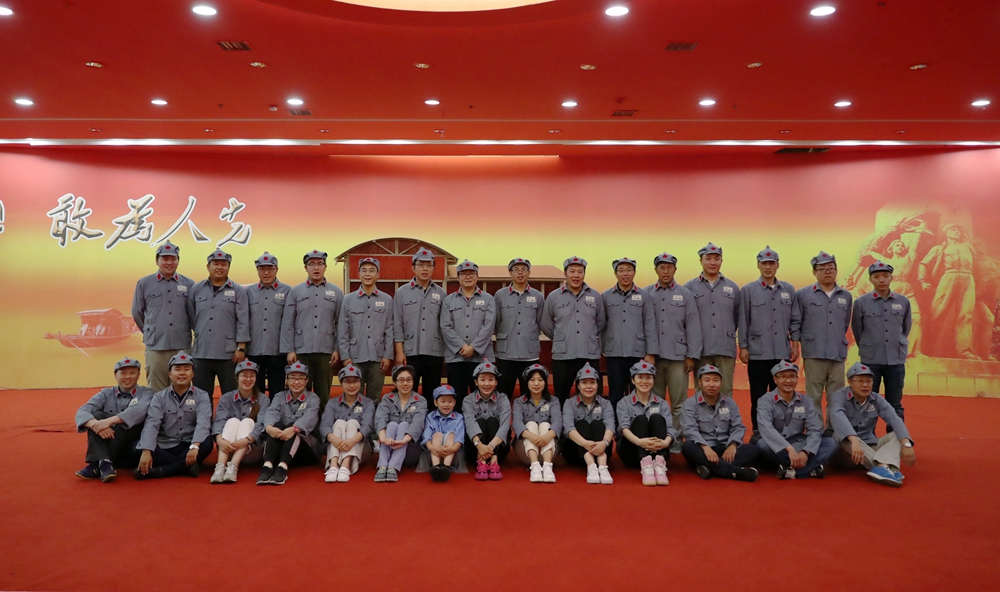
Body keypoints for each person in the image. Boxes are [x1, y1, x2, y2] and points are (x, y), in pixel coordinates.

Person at [738, 246, 800, 434]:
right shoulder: (748, 290)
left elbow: (794, 319)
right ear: (758, 265)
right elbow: (743, 320)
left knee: (782, 396)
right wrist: (743, 347)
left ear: (777, 265)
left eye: (771, 263)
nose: (768, 267)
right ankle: (758, 433)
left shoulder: (788, 289)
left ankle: (781, 433)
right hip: (758, 353)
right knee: (758, 397)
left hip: (781, 353)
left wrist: (795, 344)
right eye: (764, 263)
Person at [828, 362, 916, 487]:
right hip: (847, 452)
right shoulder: (838, 396)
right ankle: (888, 466)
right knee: (841, 436)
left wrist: (906, 443)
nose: (865, 385)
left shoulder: (876, 398)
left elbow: (894, 419)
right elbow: (838, 419)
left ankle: (882, 467)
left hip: (869, 446)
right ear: (850, 382)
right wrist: (854, 440)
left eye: (869, 381)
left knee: (897, 435)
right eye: (860, 381)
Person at [790, 251, 852, 427]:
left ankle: (833, 430)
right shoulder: (803, 294)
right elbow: (796, 322)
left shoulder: (845, 296)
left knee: (836, 397)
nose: (827, 272)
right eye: (822, 269)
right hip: (814, 352)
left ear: (836, 270)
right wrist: (795, 344)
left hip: (837, 352)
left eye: (831, 268)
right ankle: (815, 430)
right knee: (813, 396)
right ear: (814, 272)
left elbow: (845, 323)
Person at [646, 252, 702, 441]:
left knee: (679, 403)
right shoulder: (647, 294)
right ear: (656, 270)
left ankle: (676, 439)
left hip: (678, 358)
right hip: (654, 358)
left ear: (675, 269)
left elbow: (693, 326)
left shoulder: (685, 294)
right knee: (655, 402)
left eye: (669, 267)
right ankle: (658, 438)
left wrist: (692, 356)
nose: (666, 271)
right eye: (662, 267)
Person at [135, 352, 214, 480]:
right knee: (138, 447)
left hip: (190, 444)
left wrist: (194, 445)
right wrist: (146, 450)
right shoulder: (159, 397)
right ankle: (187, 466)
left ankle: (162, 471)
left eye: (186, 369)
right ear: (170, 374)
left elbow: (203, 423)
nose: (182, 373)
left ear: (192, 374)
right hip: (166, 445)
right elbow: (152, 423)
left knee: (207, 443)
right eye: (177, 369)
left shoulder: (202, 396)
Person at [280, 249, 344, 407]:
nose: (316, 268)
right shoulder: (296, 291)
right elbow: (288, 322)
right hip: (302, 350)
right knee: (301, 392)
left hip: (326, 351)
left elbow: (341, 323)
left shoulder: (336, 292)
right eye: (312, 264)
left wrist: (337, 349)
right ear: (305, 268)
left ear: (325, 267)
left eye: (320, 264)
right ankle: (302, 422)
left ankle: (322, 422)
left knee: (323, 394)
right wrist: (290, 350)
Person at [74, 357, 153, 482]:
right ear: (115, 375)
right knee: (97, 416)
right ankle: (105, 463)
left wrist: (108, 422)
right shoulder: (106, 393)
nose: (128, 377)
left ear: (138, 375)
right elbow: (82, 411)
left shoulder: (146, 393)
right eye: (123, 373)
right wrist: (96, 425)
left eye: (132, 373)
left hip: (130, 449)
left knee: (128, 422)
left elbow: (138, 411)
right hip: (111, 447)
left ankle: (96, 463)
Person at [851, 261, 912, 421]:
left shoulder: (903, 302)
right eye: (877, 276)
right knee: (867, 402)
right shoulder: (861, 302)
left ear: (891, 278)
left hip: (895, 359)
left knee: (895, 403)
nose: (881, 280)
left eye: (885, 276)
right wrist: (869, 345)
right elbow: (857, 330)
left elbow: (905, 329)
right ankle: (867, 434)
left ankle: (895, 434)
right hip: (871, 360)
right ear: (870, 280)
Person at [755, 360, 838, 480]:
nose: (788, 381)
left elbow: (814, 429)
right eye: (783, 377)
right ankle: (810, 468)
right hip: (778, 446)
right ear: (775, 379)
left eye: (792, 376)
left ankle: (791, 471)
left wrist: (806, 452)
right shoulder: (765, 400)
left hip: (800, 444)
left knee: (831, 443)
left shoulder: (806, 401)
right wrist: (789, 449)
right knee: (762, 445)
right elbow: (766, 429)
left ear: (797, 378)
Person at [131, 241, 195, 392]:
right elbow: (137, 312)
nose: (169, 262)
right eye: (165, 259)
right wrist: (150, 330)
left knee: (182, 387)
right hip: (156, 346)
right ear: (157, 260)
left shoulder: (189, 284)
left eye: (173, 259)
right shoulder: (144, 283)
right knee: (156, 389)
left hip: (181, 345)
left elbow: (194, 314)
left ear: (178, 260)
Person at [541, 256, 606, 401]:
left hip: (588, 354)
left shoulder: (595, 296)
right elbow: (545, 323)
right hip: (563, 355)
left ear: (584, 274)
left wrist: (588, 336)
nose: (576, 275)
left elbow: (600, 322)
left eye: (580, 272)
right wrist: (560, 338)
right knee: (561, 396)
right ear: (565, 273)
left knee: (591, 397)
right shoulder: (554, 297)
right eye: (572, 271)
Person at [680, 365, 758, 482]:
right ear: (700, 382)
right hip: (703, 448)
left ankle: (708, 467)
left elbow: (738, 426)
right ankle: (734, 471)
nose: (712, 384)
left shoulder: (730, 403)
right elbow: (689, 430)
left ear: (721, 382)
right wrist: (706, 447)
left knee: (754, 449)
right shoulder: (690, 404)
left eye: (715, 380)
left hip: (724, 447)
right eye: (707, 380)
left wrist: (732, 445)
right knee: (688, 447)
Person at [188, 249, 249, 397]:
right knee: (201, 397)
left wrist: (241, 348)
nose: (219, 267)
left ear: (229, 267)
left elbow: (243, 320)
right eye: (215, 264)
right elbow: (191, 316)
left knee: (231, 395)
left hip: (229, 354)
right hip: (201, 352)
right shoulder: (196, 289)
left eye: (223, 264)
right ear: (208, 266)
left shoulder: (238, 291)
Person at [684, 242, 740, 396]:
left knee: (725, 392)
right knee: (702, 393)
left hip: (725, 347)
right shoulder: (689, 287)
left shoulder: (732, 287)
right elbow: (686, 319)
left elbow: (736, 317)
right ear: (700, 261)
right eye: (708, 258)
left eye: (717, 258)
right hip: (700, 350)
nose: (713, 262)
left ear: (722, 261)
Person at [601, 257, 657, 409]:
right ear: (615, 273)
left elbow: (650, 324)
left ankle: (636, 422)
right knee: (615, 393)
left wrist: (651, 352)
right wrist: (603, 348)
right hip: (614, 353)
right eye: (621, 270)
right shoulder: (605, 296)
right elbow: (600, 324)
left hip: (637, 353)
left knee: (637, 393)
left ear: (634, 272)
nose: (625, 274)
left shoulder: (644, 296)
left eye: (629, 270)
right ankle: (616, 423)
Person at [440, 259, 496, 410]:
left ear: (477, 276)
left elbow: (489, 327)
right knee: (457, 399)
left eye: (472, 273)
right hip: (456, 358)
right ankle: (459, 425)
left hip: (482, 358)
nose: (468, 277)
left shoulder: (488, 299)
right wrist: (462, 346)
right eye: (464, 274)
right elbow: (445, 326)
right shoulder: (448, 301)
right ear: (458, 277)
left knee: (483, 400)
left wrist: (474, 347)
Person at [918, 224, 979, 359]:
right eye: (953, 230)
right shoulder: (940, 248)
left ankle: (965, 350)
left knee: (966, 314)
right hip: (949, 276)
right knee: (937, 311)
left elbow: (978, 264)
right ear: (946, 233)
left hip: (968, 277)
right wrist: (923, 281)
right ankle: (929, 345)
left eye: (958, 230)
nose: (957, 232)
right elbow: (923, 264)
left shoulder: (968, 247)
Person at [392, 248, 447, 397]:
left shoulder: (441, 294)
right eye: (421, 265)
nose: (425, 269)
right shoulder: (401, 293)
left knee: (432, 393)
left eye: (429, 265)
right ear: (413, 268)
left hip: (434, 351)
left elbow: (445, 325)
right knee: (408, 392)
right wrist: (399, 352)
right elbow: (397, 323)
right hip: (410, 352)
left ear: (433, 268)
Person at [256, 361, 321, 486]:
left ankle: (282, 468)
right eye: (292, 378)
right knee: (276, 426)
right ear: (287, 380)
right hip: (283, 446)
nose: (296, 382)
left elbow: (309, 418)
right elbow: (272, 412)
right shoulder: (279, 397)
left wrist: (293, 429)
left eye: (300, 378)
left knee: (294, 427)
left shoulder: (313, 398)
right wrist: (269, 428)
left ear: (307, 380)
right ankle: (267, 466)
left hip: (306, 450)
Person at [338, 257, 393, 402]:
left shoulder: (387, 300)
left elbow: (389, 329)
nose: (368, 274)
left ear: (378, 275)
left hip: (378, 357)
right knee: (354, 396)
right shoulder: (348, 300)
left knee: (374, 398)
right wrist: (345, 357)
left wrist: (387, 355)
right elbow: (343, 330)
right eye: (364, 270)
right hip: (355, 357)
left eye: (371, 270)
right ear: (358, 274)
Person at [615, 361, 675, 486]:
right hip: (632, 452)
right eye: (640, 377)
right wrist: (640, 442)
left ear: (653, 380)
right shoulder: (623, 403)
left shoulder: (662, 403)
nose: (644, 381)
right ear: (633, 380)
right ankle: (646, 464)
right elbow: (624, 428)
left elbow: (670, 428)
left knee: (657, 418)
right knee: (641, 419)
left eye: (648, 377)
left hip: (657, 450)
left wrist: (665, 443)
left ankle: (659, 464)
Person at [210, 360, 269, 484]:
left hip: (252, 450)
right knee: (232, 421)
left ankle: (233, 467)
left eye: (252, 376)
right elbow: (219, 421)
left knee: (247, 422)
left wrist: (246, 440)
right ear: (237, 378)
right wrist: (220, 440)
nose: (248, 379)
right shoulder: (226, 398)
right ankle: (220, 467)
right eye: (244, 375)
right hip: (228, 448)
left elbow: (261, 425)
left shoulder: (263, 399)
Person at [493, 257, 544, 398]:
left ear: (529, 273)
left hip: (529, 354)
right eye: (516, 270)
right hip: (506, 354)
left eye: (524, 269)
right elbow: (496, 322)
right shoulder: (500, 295)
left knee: (530, 395)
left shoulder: (538, 296)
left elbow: (541, 321)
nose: (520, 272)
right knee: (503, 395)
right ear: (510, 273)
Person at [319, 365, 375, 483]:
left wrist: (352, 441)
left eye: (355, 381)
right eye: (347, 382)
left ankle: (345, 465)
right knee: (339, 423)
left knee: (353, 423)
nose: (352, 385)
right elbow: (325, 425)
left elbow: (368, 426)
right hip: (337, 446)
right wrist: (335, 440)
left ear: (360, 383)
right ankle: (333, 466)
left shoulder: (368, 403)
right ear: (341, 383)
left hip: (360, 447)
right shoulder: (333, 403)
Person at [561, 363, 614, 484]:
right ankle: (591, 467)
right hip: (576, 452)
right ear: (578, 385)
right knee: (581, 424)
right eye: (584, 383)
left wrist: (604, 443)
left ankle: (603, 467)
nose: (589, 386)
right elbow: (568, 428)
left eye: (592, 382)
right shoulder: (569, 403)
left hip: (602, 450)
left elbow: (610, 425)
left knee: (597, 424)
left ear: (597, 384)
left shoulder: (605, 403)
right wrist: (585, 444)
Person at [373, 365, 428, 482]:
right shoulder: (387, 398)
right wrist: (383, 438)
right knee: (391, 425)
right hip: (389, 446)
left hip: (410, 449)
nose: (405, 383)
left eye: (408, 380)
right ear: (395, 382)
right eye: (401, 380)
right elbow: (380, 418)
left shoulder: (420, 400)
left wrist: (403, 441)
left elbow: (418, 424)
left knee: (404, 425)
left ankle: (392, 467)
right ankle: (383, 467)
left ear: (413, 381)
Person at [246, 251, 290, 395]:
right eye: (262, 269)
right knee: (255, 391)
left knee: (277, 390)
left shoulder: (288, 291)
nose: (266, 273)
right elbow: (243, 320)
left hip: (277, 351)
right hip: (254, 350)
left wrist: (289, 349)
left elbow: (290, 322)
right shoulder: (249, 292)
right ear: (257, 270)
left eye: (270, 268)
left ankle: (275, 411)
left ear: (277, 269)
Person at [512, 364, 562, 483]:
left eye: (540, 380)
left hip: (550, 448)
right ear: (527, 382)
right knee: (531, 424)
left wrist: (547, 436)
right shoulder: (519, 402)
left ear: (545, 382)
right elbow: (516, 423)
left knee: (545, 425)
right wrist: (532, 436)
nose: (536, 384)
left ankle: (547, 467)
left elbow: (558, 422)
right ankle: (534, 466)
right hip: (525, 450)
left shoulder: (554, 401)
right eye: (532, 380)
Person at [462, 361, 511, 481]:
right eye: (483, 379)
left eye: (491, 379)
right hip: (475, 450)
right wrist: (479, 446)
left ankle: (494, 461)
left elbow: (505, 425)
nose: (487, 384)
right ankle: (482, 463)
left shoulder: (503, 398)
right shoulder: (468, 400)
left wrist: (490, 447)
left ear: (496, 382)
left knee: (493, 421)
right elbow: (470, 423)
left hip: (498, 449)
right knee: (481, 422)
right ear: (476, 382)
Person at [421, 385, 465, 482]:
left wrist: (453, 448)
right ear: (436, 402)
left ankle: (446, 467)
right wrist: (431, 447)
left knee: (451, 435)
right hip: (434, 452)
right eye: (443, 401)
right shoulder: (430, 417)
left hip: (452, 452)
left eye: (450, 401)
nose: (446, 405)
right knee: (436, 434)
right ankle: (436, 466)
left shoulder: (459, 418)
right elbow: (427, 433)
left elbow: (459, 437)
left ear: (454, 403)